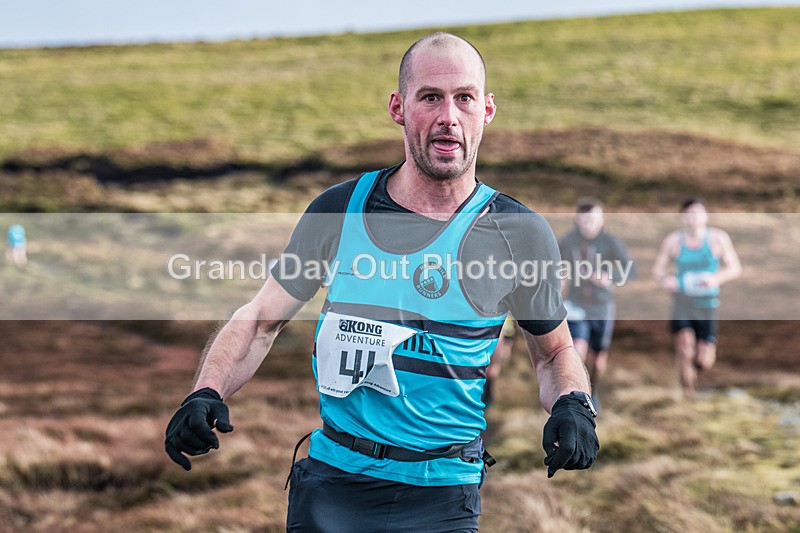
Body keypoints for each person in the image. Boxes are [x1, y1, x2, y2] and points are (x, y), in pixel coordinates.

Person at [165, 32, 598, 532]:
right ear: (398, 107)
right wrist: (204, 392)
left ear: (487, 109)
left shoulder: (517, 233)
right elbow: (262, 320)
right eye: (430, 97)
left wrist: (573, 404)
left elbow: (554, 352)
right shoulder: (339, 211)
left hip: (443, 497)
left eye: (464, 98)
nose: (448, 116)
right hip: (333, 488)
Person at [652, 198, 742, 399]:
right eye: (688, 215)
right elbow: (657, 270)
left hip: (707, 304)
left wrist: (715, 278)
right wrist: (667, 279)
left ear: (705, 216)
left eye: (697, 214)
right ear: (682, 218)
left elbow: (735, 267)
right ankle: (688, 393)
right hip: (682, 302)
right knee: (684, 346)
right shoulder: (674, 241)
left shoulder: (718, 239)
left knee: (703, 360)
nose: (693, 219)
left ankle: (696, 370)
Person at [558, 198, 635, 413]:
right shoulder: (567, 241)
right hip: (575, 305)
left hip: (602, 307)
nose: (588, 224)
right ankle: (576, 397)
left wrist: (609, 277)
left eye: (593, 219)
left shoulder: (610, 242)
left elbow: (630, 269)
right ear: (577, 220)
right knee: (577, 351)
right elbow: (553, 266)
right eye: (584, 219)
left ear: (601, 220)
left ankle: (594, 391)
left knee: (598, 360)